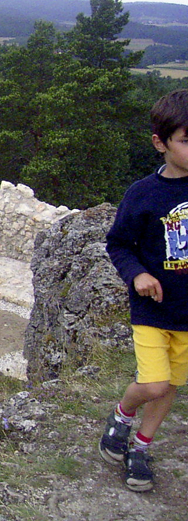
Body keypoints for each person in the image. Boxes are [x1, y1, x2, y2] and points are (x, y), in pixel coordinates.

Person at [100, 88, 188, 492]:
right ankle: (122, 414)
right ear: (160, 142)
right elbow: (118, 243)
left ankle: (140, 446)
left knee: (170, 387)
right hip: (152, 309)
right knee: (152, 384)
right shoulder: (143, 194)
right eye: (186, 140)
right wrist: (136, 274)